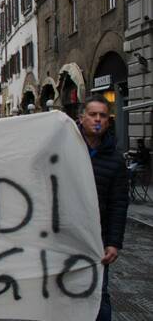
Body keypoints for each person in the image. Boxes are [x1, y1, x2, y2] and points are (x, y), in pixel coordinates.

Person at [78, 95, 128, 321]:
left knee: (98, 294)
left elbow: (119, 203)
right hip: (63, 238)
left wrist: (114, 242)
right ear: (82, 118)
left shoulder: (115, 160)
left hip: (97, 241)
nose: (97, 119)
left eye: (102, 115)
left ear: (108, 120)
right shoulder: (62, 150)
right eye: (92, 114)